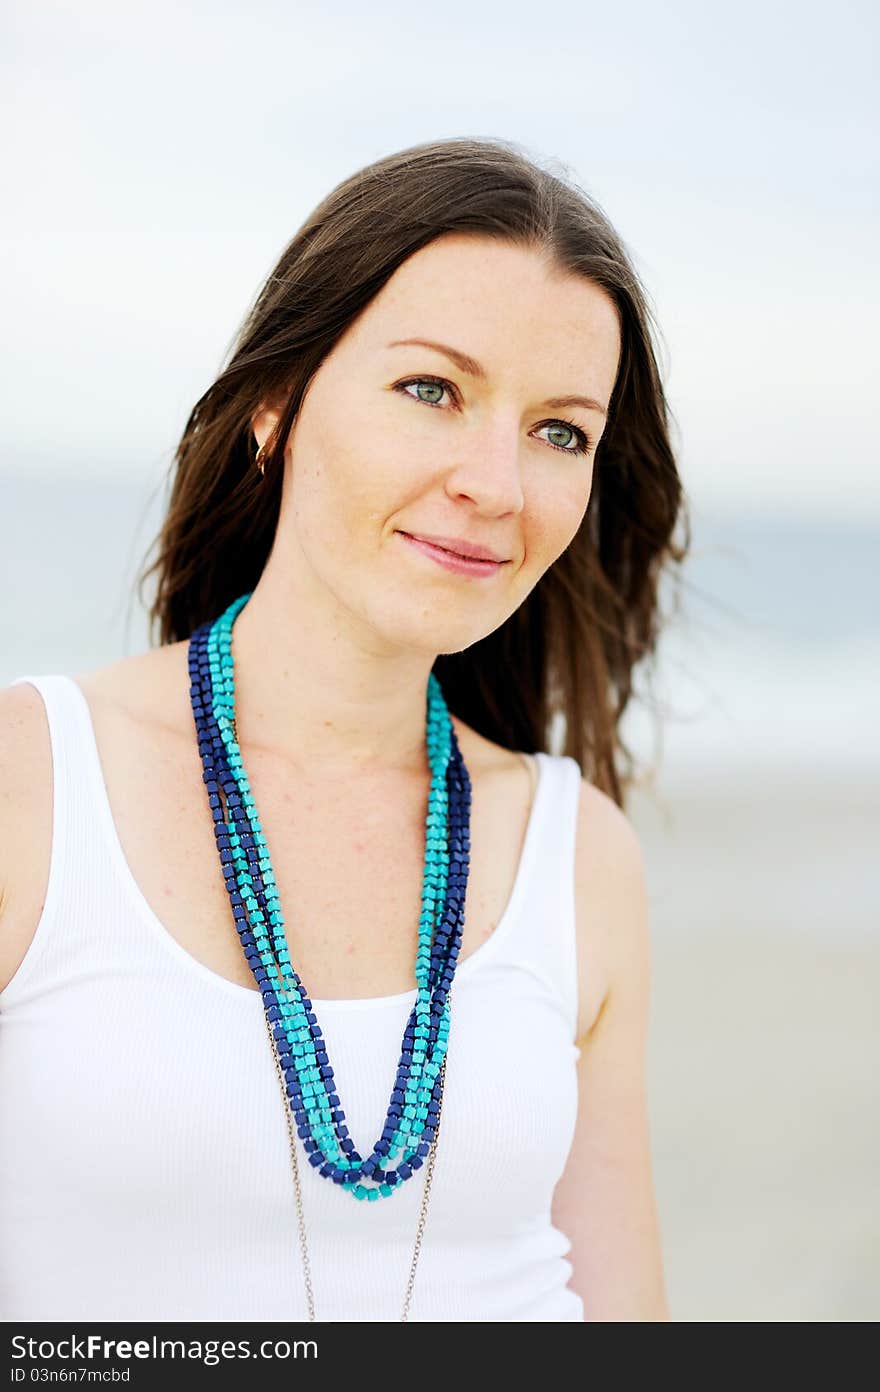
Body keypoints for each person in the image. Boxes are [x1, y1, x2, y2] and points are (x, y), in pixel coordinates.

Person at [0, 137, 687, 1322]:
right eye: (433, 390)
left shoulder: (579, 853)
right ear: (278, 402)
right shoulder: (34, 783)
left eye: (559, 430)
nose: (498, 483)